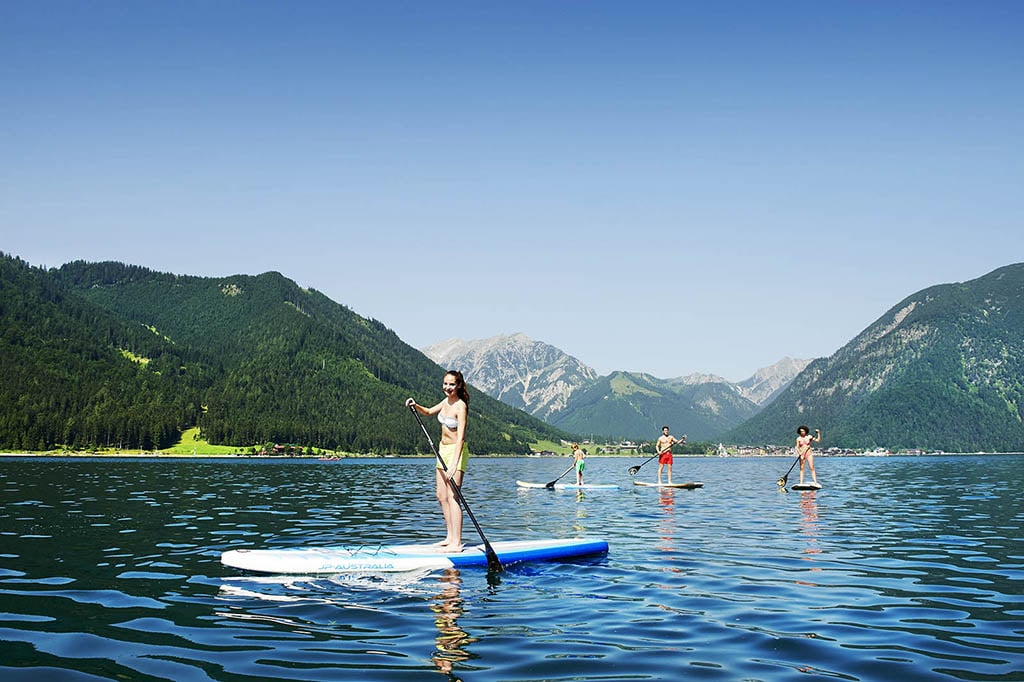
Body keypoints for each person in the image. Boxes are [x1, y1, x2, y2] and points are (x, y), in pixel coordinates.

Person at [406, 370, 470, 551]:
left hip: (456, 453)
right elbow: (427, 412)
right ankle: (449, 537)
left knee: (453, 496)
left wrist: (454, 463)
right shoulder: (445, 402)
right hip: (441, 451)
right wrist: (415, 405)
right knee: (441, 496)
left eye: (451, 384)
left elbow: (461, 438)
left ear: (458, 386)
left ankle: (457, 543)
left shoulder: (460, 406)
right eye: (445, 384)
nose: (447, 387)